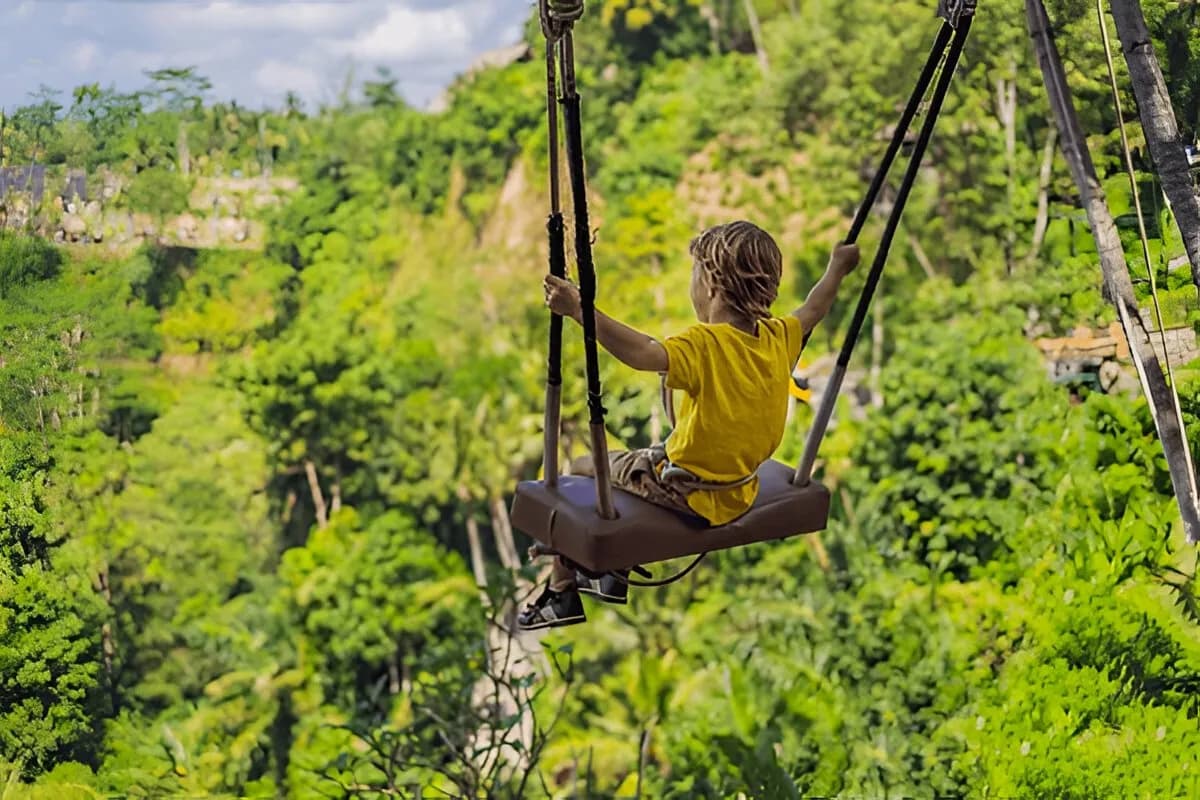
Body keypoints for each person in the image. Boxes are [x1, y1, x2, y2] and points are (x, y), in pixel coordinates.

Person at [517, 220, 860, 630]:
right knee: (644, 458)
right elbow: (815, 307)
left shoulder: (704, 345)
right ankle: (611, 575)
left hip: (685, 491)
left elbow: (643, 352)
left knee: (584, 467)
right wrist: (837, 267)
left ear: (711, 286)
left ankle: (562, 591)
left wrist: (578, 310)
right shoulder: (779, 336)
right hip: (740, 489)